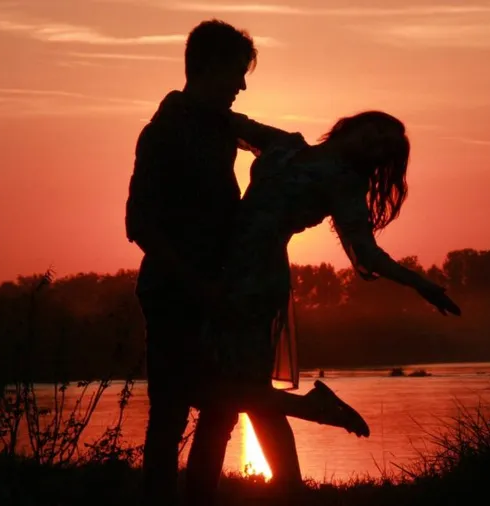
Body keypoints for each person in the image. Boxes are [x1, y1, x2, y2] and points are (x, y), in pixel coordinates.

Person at [197, 110, 462, 496]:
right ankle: (290, 472)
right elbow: (232, 123)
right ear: (352, 124)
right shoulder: (286, 144)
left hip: (257, 282)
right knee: (232, 397)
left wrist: (421, 284)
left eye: (383, 147)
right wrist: (184, 103)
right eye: (376, 131)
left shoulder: (345, 183)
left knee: (231, 395)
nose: (375, 143)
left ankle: (293, 463)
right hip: (223, 271)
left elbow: (368, 254)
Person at [124, 19, 319, 506]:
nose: (242, 86)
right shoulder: (162, 133)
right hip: (174, 294)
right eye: (236, 73)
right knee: (170, 415)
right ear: (209, 66)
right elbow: (139, 223)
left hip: (222, 292)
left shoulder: (223, 126)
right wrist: (196, 285)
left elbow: (287, 144)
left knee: (222, 411)